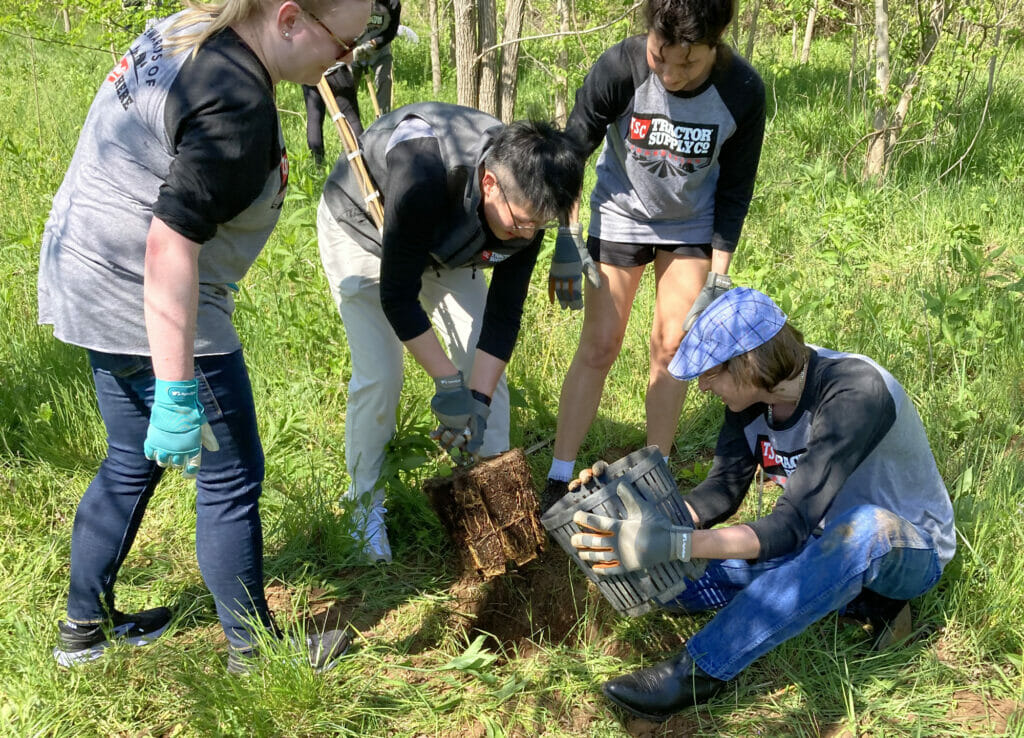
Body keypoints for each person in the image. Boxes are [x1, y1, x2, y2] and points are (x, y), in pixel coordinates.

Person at [38, 0, 371, 672]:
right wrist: (176, 388)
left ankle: (83, 631)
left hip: (83, 269)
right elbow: (169, 247)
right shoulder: (237, 103)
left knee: (130, 457)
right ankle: (254, 653)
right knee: (231, 476)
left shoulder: (197, 23)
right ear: (288, 20)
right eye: (343, 44)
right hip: (145, 294)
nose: (345, 62)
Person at [569, 288, 956, 721]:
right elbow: (721, 490)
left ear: (748, 363)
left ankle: (696, 673)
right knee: (665, 582)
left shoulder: (854, 391)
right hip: (815, 541)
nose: (702, 386)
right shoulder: (753, 399)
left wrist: (677, 543)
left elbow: (788, 525)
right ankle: (851, 599)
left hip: (904, 548)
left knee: (864, 528)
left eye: (710, 373)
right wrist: (643, 519)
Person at [317, 102, 584, 563]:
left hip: (452, 244)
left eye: (538, 226)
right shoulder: (422, 172)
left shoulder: (527, 205)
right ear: (489, 183)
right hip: (366, 229)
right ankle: (363, 505)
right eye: (522, 222)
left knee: (486, 373)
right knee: (382, 375)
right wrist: (447, 386)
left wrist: (475, 399)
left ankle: (498, 497)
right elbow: (398, 297)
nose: (528, 234)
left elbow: (503, 315)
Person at [542, 0, 766, 507]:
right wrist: (568, 235)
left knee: (672, 348)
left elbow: (736, 190)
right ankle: (558, 476)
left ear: (715, 45)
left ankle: (655, 477)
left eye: (687, 63)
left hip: (690, 223)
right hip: (620, 212)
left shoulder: (741, 90)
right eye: (659, 56)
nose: (669, 75)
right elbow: (571, 151)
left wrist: (719, 278)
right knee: (600, 344)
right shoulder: (620, 67)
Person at [301, 0, 400, 164]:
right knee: (344, 112)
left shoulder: (392, 3)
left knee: (382, 88)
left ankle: (380, 138)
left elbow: (391, 29)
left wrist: (373, 44)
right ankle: (355, 160)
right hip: (344, 57)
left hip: (374, 51)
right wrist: (354, 46)